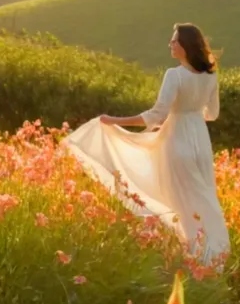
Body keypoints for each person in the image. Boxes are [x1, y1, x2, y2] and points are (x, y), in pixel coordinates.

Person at [61, 23, 231, 267]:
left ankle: (196, 260)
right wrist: (189, 114)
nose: (170, 45)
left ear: (185, 46)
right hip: (201, 141)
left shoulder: (175, 75)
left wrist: (115, 121)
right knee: (204, 200)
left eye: (174, 41)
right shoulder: (210, 76)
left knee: (181, 204)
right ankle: (214, 257)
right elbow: (212, 114)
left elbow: (156, 114)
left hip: (178, 142)